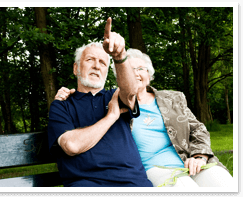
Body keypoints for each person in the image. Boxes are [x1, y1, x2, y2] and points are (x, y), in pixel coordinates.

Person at [55, 48, 234, 187]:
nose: (136, 74)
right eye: (130, 70)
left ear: (150, 74)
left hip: (189, 162)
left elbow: (198, 129)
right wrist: (71, 94)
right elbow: (92, 99)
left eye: (141, 69)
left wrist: (199, 156)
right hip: (154, 169)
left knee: (224, 183)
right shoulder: (119, 101)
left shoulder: (172, 98)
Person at [47, 17, 153, 187]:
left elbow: (131, 91)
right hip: (87, 184)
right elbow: (71, 145)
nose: (97, 66)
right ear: (76, 68)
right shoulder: (62, 105)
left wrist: (120, 55)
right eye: (90, 60)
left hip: (133, 183)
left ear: (106, 72)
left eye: (103, 62)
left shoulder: (115, 95)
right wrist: (111, 117)